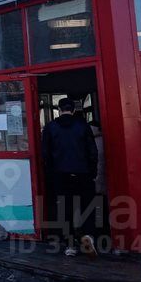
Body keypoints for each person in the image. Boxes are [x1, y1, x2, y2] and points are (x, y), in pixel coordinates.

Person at [41, 98, 98, 257]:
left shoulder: (50, 127)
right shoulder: (83, 126)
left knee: (65, 209)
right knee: (87, 206)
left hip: (60, 174)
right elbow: (92, 152)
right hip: (83, 173)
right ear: (73, 110)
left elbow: (45, 154)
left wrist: (50, 174)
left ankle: (70, 244)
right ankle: (88, 235)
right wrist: (92, 172)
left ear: (59, 110)